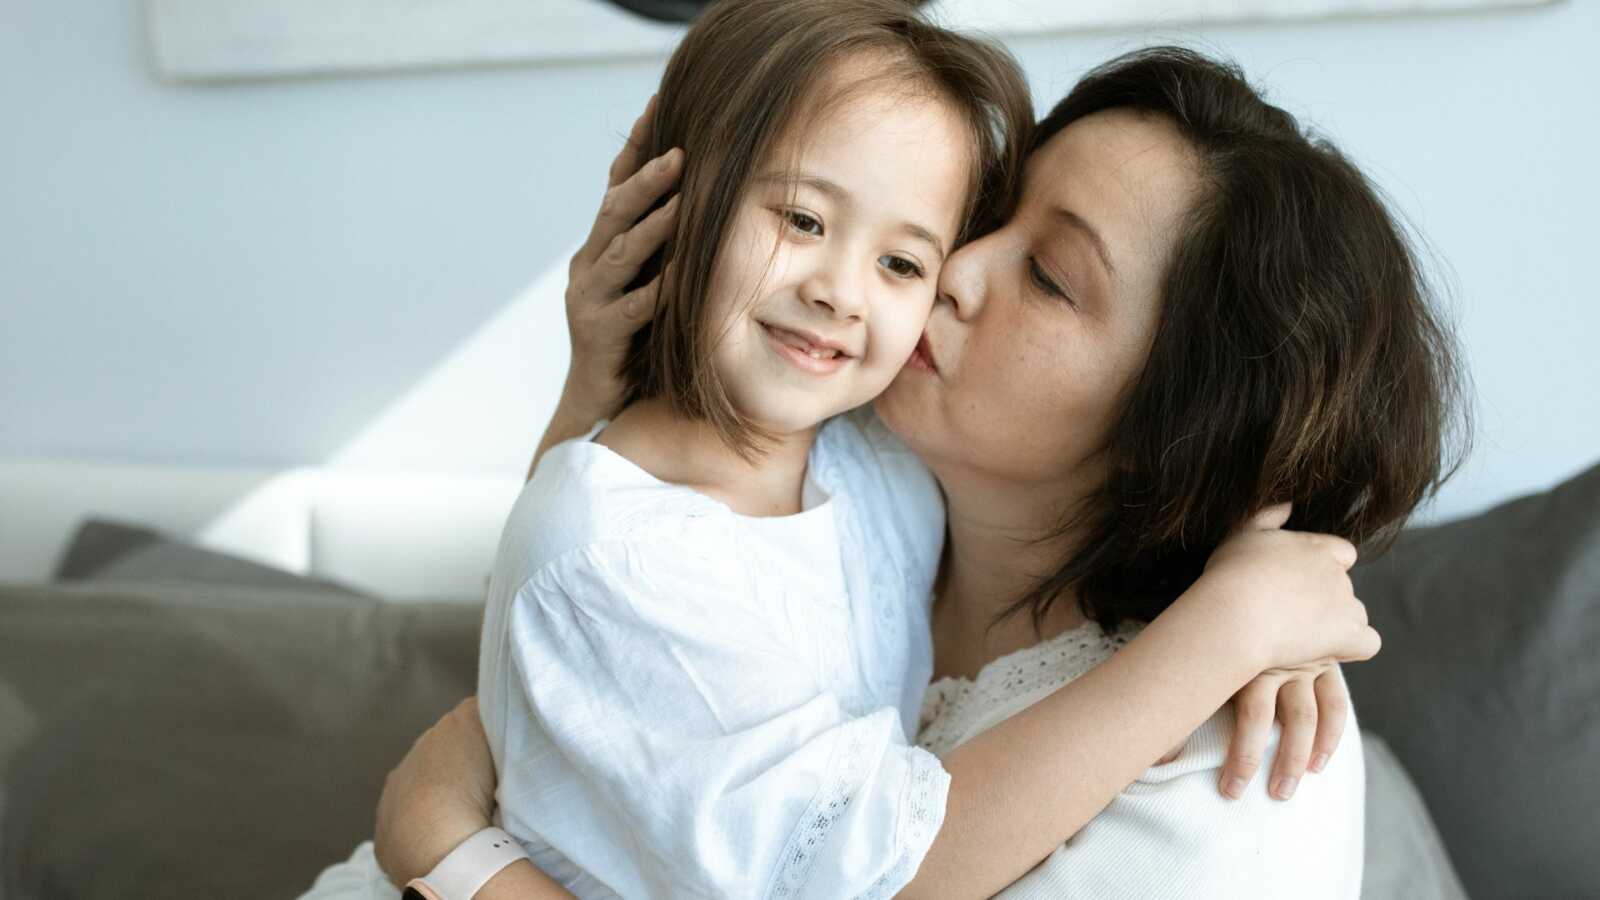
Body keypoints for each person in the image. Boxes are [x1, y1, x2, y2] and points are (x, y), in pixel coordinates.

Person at [343, 40, 1464, 900]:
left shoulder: (1235, 774)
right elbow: (585, 611)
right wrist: (604, 378)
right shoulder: (858, 459)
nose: (950, 272)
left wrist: (467, 865)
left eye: (1051, 278)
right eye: (984, 216)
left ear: (1179, 422)